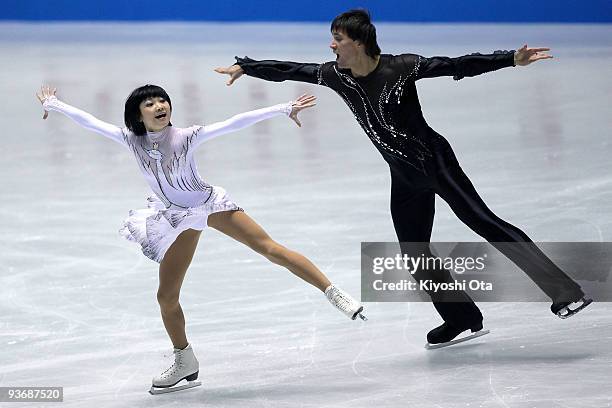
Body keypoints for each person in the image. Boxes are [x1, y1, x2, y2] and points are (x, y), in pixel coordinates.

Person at [215, 9, 592, 347]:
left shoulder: (402, 66)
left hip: (436, 163)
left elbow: (457, 64)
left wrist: (510, 59)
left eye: (338, 39)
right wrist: (247, 67)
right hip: (404, 175)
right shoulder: (336, 76)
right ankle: (461, 317)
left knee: (485, 223)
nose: (331, 45)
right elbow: (290, 70)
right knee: (415, 253)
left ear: (359, 43)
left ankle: (565, 292)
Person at [36, 84, 366, 393]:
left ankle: (333, 292)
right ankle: (185, 360)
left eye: (162, 100)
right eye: (149, 103)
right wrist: (55, 104)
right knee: (166, 297)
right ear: (138, 115)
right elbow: (91, 122)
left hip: (208, 205)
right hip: (177, 218)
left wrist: (282, 108)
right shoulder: (131, 140)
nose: (159, 106)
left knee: (269, 248)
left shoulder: (185, 136)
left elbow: (233, 123)